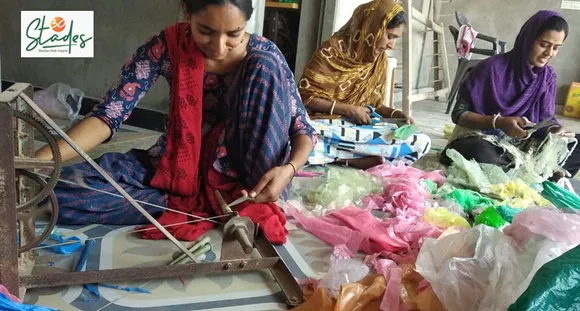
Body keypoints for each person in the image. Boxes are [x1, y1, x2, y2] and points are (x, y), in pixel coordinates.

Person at [35, 0, 317, 244]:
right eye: (205, 31)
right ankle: (199, 204)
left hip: (246, 179)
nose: (219, 47)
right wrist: (35, 160)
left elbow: (303, 129)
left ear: (246, 22)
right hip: (178, 168)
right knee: (56, 188)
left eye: (234, 34)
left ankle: (252, 202)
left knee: (265, 67)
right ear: (187, 13)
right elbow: (108, 116)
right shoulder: (165, 47)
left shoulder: (264, 56)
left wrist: (288, 170)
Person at [441, 10, 580, 181]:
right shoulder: (491, 68)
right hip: (484, 139)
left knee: (575, 144)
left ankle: (527, 172)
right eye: (544, 44)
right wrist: (498, 122)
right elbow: (459, 113)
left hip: (523, 145)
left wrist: (556, 130)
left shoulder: (547, 77)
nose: (549, 53)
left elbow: (545, 120)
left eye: (556, 48)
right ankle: (539, 173)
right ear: (528, 39)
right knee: (479, 151)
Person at [298, 0, 431, 170]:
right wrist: (349, 110)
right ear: (371, 29)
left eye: (395, 38)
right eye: (389, 36)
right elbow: (304, 98)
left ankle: (341, 156)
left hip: (358, 129)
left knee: (421, 142)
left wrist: (397, 115)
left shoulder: (378, 60)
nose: (391, 45)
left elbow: (374, 105)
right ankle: (351, 159)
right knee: (299, 137)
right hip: (325, 124)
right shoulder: (331, 51)